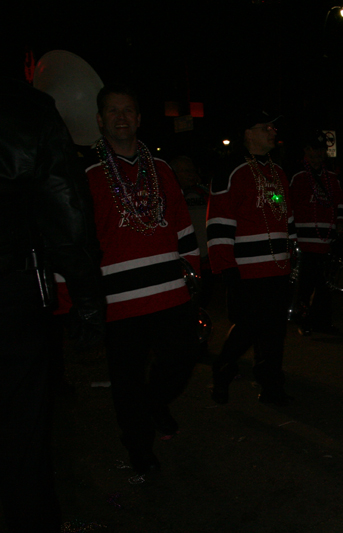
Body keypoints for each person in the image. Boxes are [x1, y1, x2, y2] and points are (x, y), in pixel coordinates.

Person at [0, 77, 104, 533]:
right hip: (8, 291)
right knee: (22, 432)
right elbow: (67, 210)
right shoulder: (24, 109)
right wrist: (86, 298)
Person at [85, 83, 200, 475]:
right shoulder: (85, 175)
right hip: (118, 301)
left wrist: (194, 271)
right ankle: (138, 446)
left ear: (138, 118)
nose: (121, 117)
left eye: (128, 110)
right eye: (112, 111)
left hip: (170, 292)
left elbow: (183, 224)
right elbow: (78, 242)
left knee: (183, 359)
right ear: (100, 121)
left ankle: (153, 406)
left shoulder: (162, 169)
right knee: (126, 381)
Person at [207, 108, 296, 406]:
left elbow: (287, 217)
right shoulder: (230, 169)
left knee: (274, 331)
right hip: (246, 270)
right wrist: (226, 269)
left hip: (278, 267)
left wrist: (292, 253)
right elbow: (218, 222)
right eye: (265, 128)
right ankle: (223, 368)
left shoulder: (278, 171)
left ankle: (271, 385)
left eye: (273, 128)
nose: (272, 132)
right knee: (248, 328)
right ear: (247, 133)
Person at [288, 130, 343, 335]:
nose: (318, 154)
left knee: (324, 286)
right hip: (305, 243)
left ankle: (322, 322)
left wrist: (341, 221)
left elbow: (340, 204)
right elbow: (288, 207)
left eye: (321, 150)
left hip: (326, 241)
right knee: (305, 285)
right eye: (314, 150)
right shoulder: (297, 177)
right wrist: (291, 237)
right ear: (306, 151)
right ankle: (304, 321)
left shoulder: (332, 178)